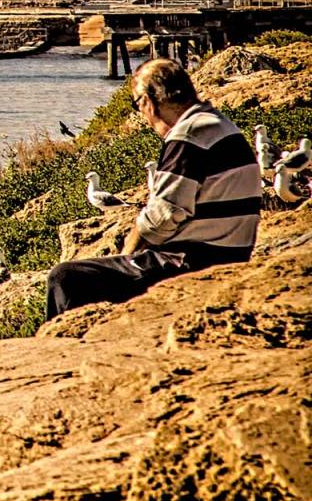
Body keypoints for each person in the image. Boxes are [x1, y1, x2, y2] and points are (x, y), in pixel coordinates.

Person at [47, 60, 261, 317]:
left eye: (137, 106)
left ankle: (65, 346)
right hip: (232, 252)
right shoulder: (219, 124)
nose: (143, 115)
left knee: (65, 277)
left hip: (194, 260)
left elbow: (162, 217)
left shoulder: (188, 134)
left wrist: (127, 254)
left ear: (148, 102)